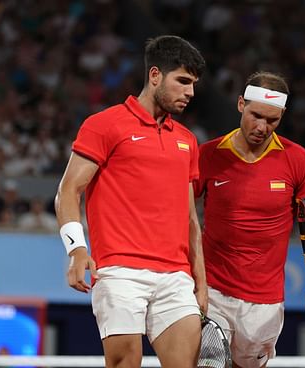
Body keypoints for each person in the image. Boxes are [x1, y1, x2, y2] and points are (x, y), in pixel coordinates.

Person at [55, 35, 207, 368]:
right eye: (182, 81)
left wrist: (202, 281)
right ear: (155, 76)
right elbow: (68, 190)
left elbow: (190, 218)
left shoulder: (187, 141)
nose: (190, 93)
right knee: (126, 363)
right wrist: (77, 250)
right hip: (120, 272)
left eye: (193, 84)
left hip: (176, 277)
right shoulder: (103, 125)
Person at [194, 71, 305, 368]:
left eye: (272, 120)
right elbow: (178, 210)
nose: (261, 127)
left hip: (265, 302)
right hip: (212, 289)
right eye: (255, 115)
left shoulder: (297, 159)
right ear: (240, 104)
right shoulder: (207, 155)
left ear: (282, 115)